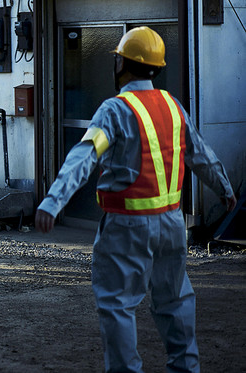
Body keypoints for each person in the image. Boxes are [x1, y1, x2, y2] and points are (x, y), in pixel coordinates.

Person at [35, 26, 237, 373]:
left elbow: (84, 157)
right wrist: (225, 189)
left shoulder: (114, 110)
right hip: (173, 225)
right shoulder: (172, 106)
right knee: (175, 302)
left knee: (117, 305)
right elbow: (200, 154)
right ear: (156, 67)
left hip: (125, 228)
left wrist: (53, 202)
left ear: (122, 65)